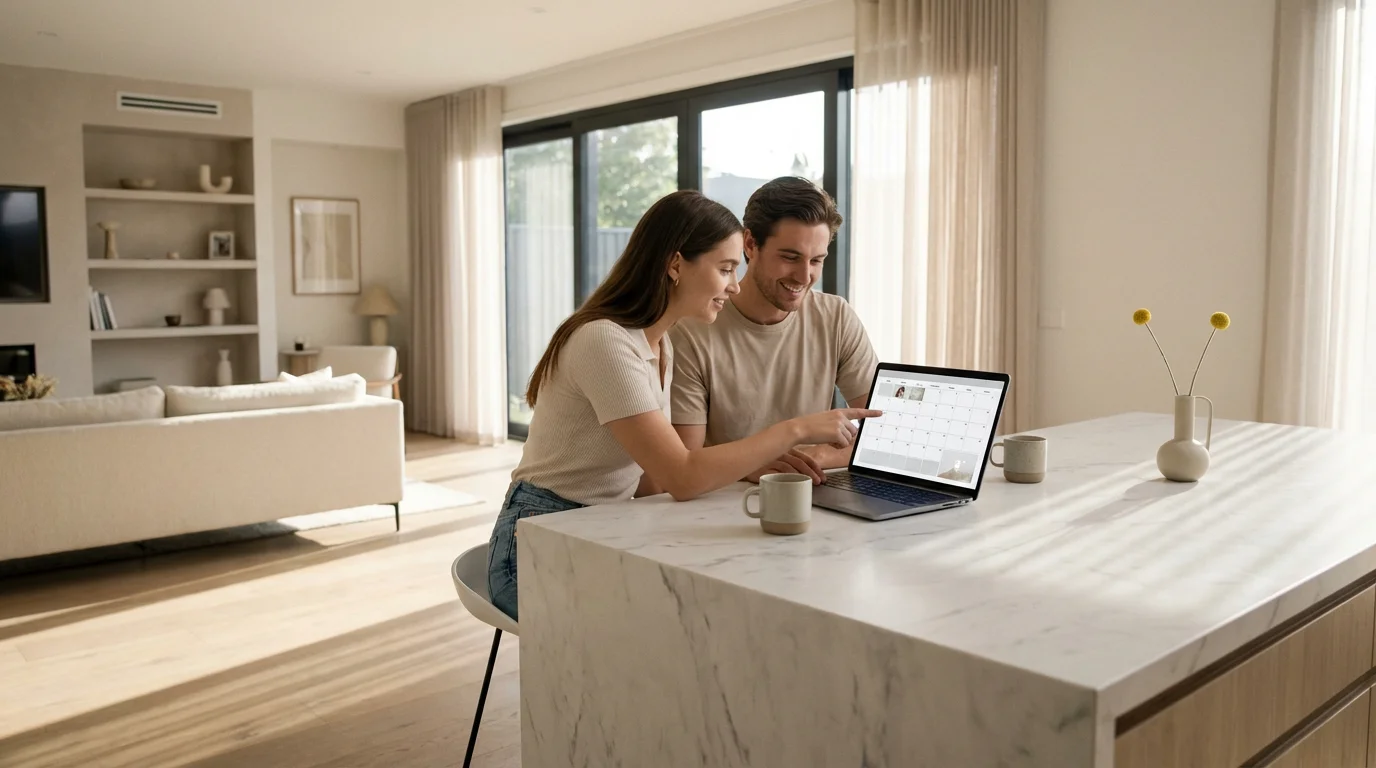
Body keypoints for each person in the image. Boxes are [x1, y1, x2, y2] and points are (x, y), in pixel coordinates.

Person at [487, 189, 880, 621]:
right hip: (538, 537)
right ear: (676, 265)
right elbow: (680, 475)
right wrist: (796, 429)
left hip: (604, 527)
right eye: (726, 268)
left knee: (712, 614)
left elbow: (657, 480)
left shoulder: (658, 346)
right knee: (671, 632)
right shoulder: (604, 341)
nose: (734, 285)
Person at [669, 177, 879, 484]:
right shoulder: (691, 331)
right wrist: (755, 466)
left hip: (812, 493)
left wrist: (816, 458)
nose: (804, 276)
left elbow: (887, 436)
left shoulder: (836, 317)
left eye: (816, 260)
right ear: (750, 245)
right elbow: (684, 462)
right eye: (790, 257)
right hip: (720, 504)